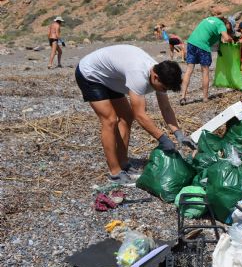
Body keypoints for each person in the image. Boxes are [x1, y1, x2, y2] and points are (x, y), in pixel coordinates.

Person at [75, 45, 196, 185]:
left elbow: (166, 109)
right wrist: (162, 139)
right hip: (90, 74)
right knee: (110, 120)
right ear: (155, 77)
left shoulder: (160, 73)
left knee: (126, 116)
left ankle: (123, 163)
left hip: (110, 78)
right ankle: (115, 173)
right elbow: (140, 115)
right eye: (163, 88)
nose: (163, 91)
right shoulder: (139, 75)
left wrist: (178, 134)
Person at [179, 16, 233, 105]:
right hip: (203, 46)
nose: (229, 30)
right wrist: (231, 39)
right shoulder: (222, 25)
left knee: (189, 70)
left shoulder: (210, 19)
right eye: (230, 28)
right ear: (228, 23)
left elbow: (213, 38)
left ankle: (182, 97)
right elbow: (226, 38)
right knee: (205, 71)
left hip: (191, 42)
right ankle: (205, 98)